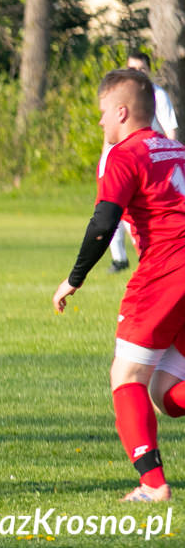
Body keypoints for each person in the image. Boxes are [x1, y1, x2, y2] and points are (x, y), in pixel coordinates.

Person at [53, 68, 185, 502]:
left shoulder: (124, 155)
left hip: (166, 273)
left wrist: (73, 279)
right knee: (166, 393)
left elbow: (103, 222)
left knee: (126, 375)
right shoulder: (178, 150)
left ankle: (152, 485)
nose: (100, 122)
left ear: (123, 112)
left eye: (103, 112)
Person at [107, 51, 178, 274]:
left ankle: (150, 256)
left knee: (136, 212)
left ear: (149, 71)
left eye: (142, 69)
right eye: (133, 69)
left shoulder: (157, 95)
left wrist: (169, 159)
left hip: (150, 161)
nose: (137, 73)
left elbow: (170, 130)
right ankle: (119, 259)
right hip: (127, 159)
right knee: (111, 211)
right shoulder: (121, 96)